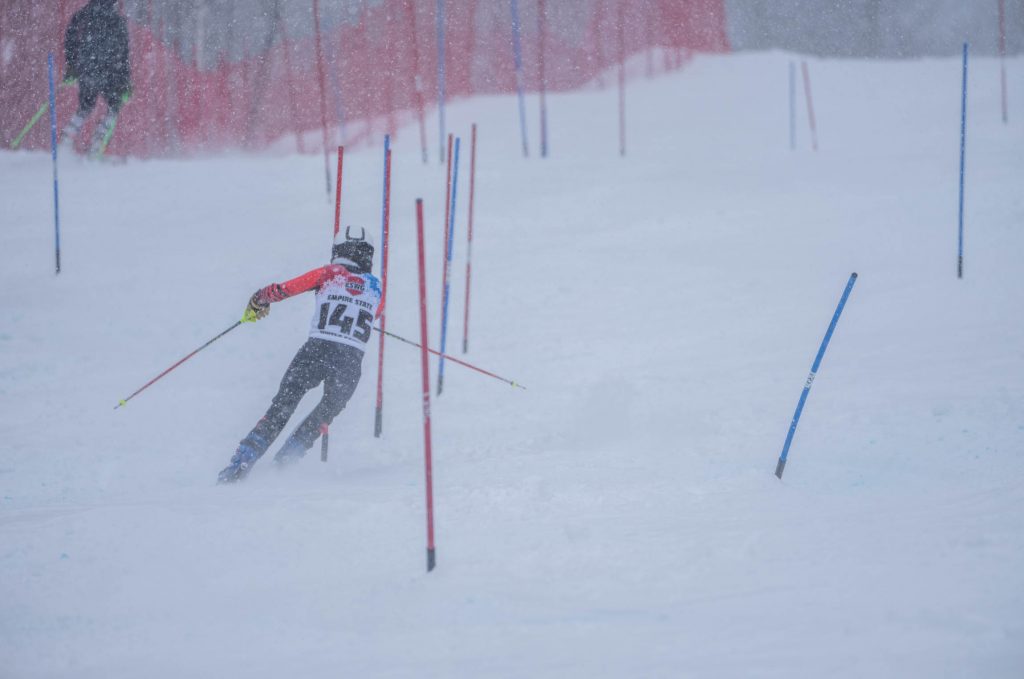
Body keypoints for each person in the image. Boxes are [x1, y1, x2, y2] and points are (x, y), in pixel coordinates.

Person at [217, 227, 383, 484]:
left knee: (283, 406)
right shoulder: (377, 288)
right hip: (349, 363)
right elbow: (375, 314)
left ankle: (242, 462)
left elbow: (286, 289)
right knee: (325, 413)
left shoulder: (330, 274)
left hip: (316, 352)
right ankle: (285, 465)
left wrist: (260, 299)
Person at [62, 0, 131, 155]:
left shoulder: (81, 15)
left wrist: (72, 65)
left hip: (86, 70)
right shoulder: (117, 20)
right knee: (113, 107)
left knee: (85, 107)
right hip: (111, 72)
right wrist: (125, 80)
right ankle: (97, 143)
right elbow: (123, 54)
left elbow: (70, 40)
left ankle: (66, 140)